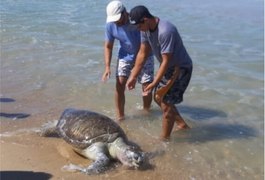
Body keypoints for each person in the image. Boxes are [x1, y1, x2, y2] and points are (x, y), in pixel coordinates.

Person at [126, 5, 193, 140]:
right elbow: (143, 53)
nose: (138, 29)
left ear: (145, 19)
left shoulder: (166, 31)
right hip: (168, 67)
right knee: (158, 97)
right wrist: (133, 76)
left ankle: (164, 141)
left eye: (139, 26)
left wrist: (154, 83)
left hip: (180, 69)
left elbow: (166, 61)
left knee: (166, 103)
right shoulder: (145, 29)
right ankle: (182, 125)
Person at [102, 1, 154, 121]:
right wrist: (107, 67)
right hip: (125, 55)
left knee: (147, 86)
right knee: (119, 84)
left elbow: (145, 47)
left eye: (119, 19)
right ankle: (120, 117)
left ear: (125, 12)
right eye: (115, 21)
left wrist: (135, 74)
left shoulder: (137, 21)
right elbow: (108, 46)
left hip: (145, 54)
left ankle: (146, 112)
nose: (117, 23)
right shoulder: (110, 25)